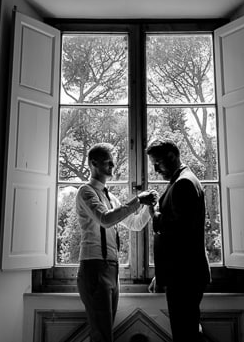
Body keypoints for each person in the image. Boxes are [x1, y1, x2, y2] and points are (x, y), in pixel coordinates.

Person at [76, 142, 157, 342]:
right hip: (93, 266)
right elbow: (105, 219)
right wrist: (138, 200)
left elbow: (136, 224)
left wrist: (148, 206)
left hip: (113, 268)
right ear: (93, 163)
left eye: (113, 162)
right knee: (101, 334)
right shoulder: (86, 192)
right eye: (108, 162)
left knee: (106, 332)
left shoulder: (111, 197)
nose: (112, 166)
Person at [145, 138, 211, 341]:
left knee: (185, 334)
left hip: (184, 276)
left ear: (172, 156)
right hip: (185, 274)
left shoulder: (183, 183)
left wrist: (152, 211)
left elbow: (175, 234)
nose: (156, 170)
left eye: (158, 163)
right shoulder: (183, 180)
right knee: (188, 331)